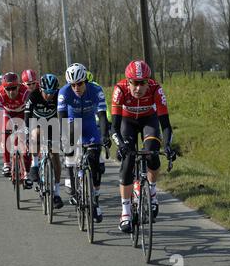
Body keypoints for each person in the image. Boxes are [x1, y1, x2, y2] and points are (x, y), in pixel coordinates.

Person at [111, 60, 176, 233]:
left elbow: (166, 125)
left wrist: (168, 145)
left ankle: (152, 193)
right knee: (128, 160)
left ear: (149, 81)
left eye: (143, 83)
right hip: (127, 122)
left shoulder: (156, 89)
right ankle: (125, 212)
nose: (138, 88)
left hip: (149, 120)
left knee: (152, 154)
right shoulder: (120, 89)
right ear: (128, 81)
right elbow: (114, 128)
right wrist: (120, 145)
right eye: (135, 83)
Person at [57, 63, 111, 223]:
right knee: (69, 148)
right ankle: (71, 177)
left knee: (95, 163)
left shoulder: (96, 90)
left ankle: (95, 200)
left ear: (85, 81)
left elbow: (102, 115)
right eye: (73, 84)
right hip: (73, 123)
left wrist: (105, 135)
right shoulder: (64, 92)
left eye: (79, 83)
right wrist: (64, 138)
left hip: (89, 124)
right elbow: (61, 118)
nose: (76, 87)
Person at [25, 73, 63, 209]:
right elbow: (27, 117)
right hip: (36, 122)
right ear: (40, 89)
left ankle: (57, 192)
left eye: (52, 92)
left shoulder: (59, 95)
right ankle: (35, 165)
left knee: (55, 156)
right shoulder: (33, 96)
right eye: (46, 92)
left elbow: (64, 115)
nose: (49, 95)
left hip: (53, 123)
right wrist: (27, 134)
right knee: (36, 133)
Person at [0, 72, 32, 188]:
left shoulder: (25, 92)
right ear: (4, 88)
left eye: (14, 88)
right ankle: (7, 163)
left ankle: (27, 173)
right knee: (5, 132)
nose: (11, 92)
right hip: (7, 113)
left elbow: (30, 115)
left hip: (22, 113)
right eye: (8, 89)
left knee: (25, 141)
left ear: (19, 86)